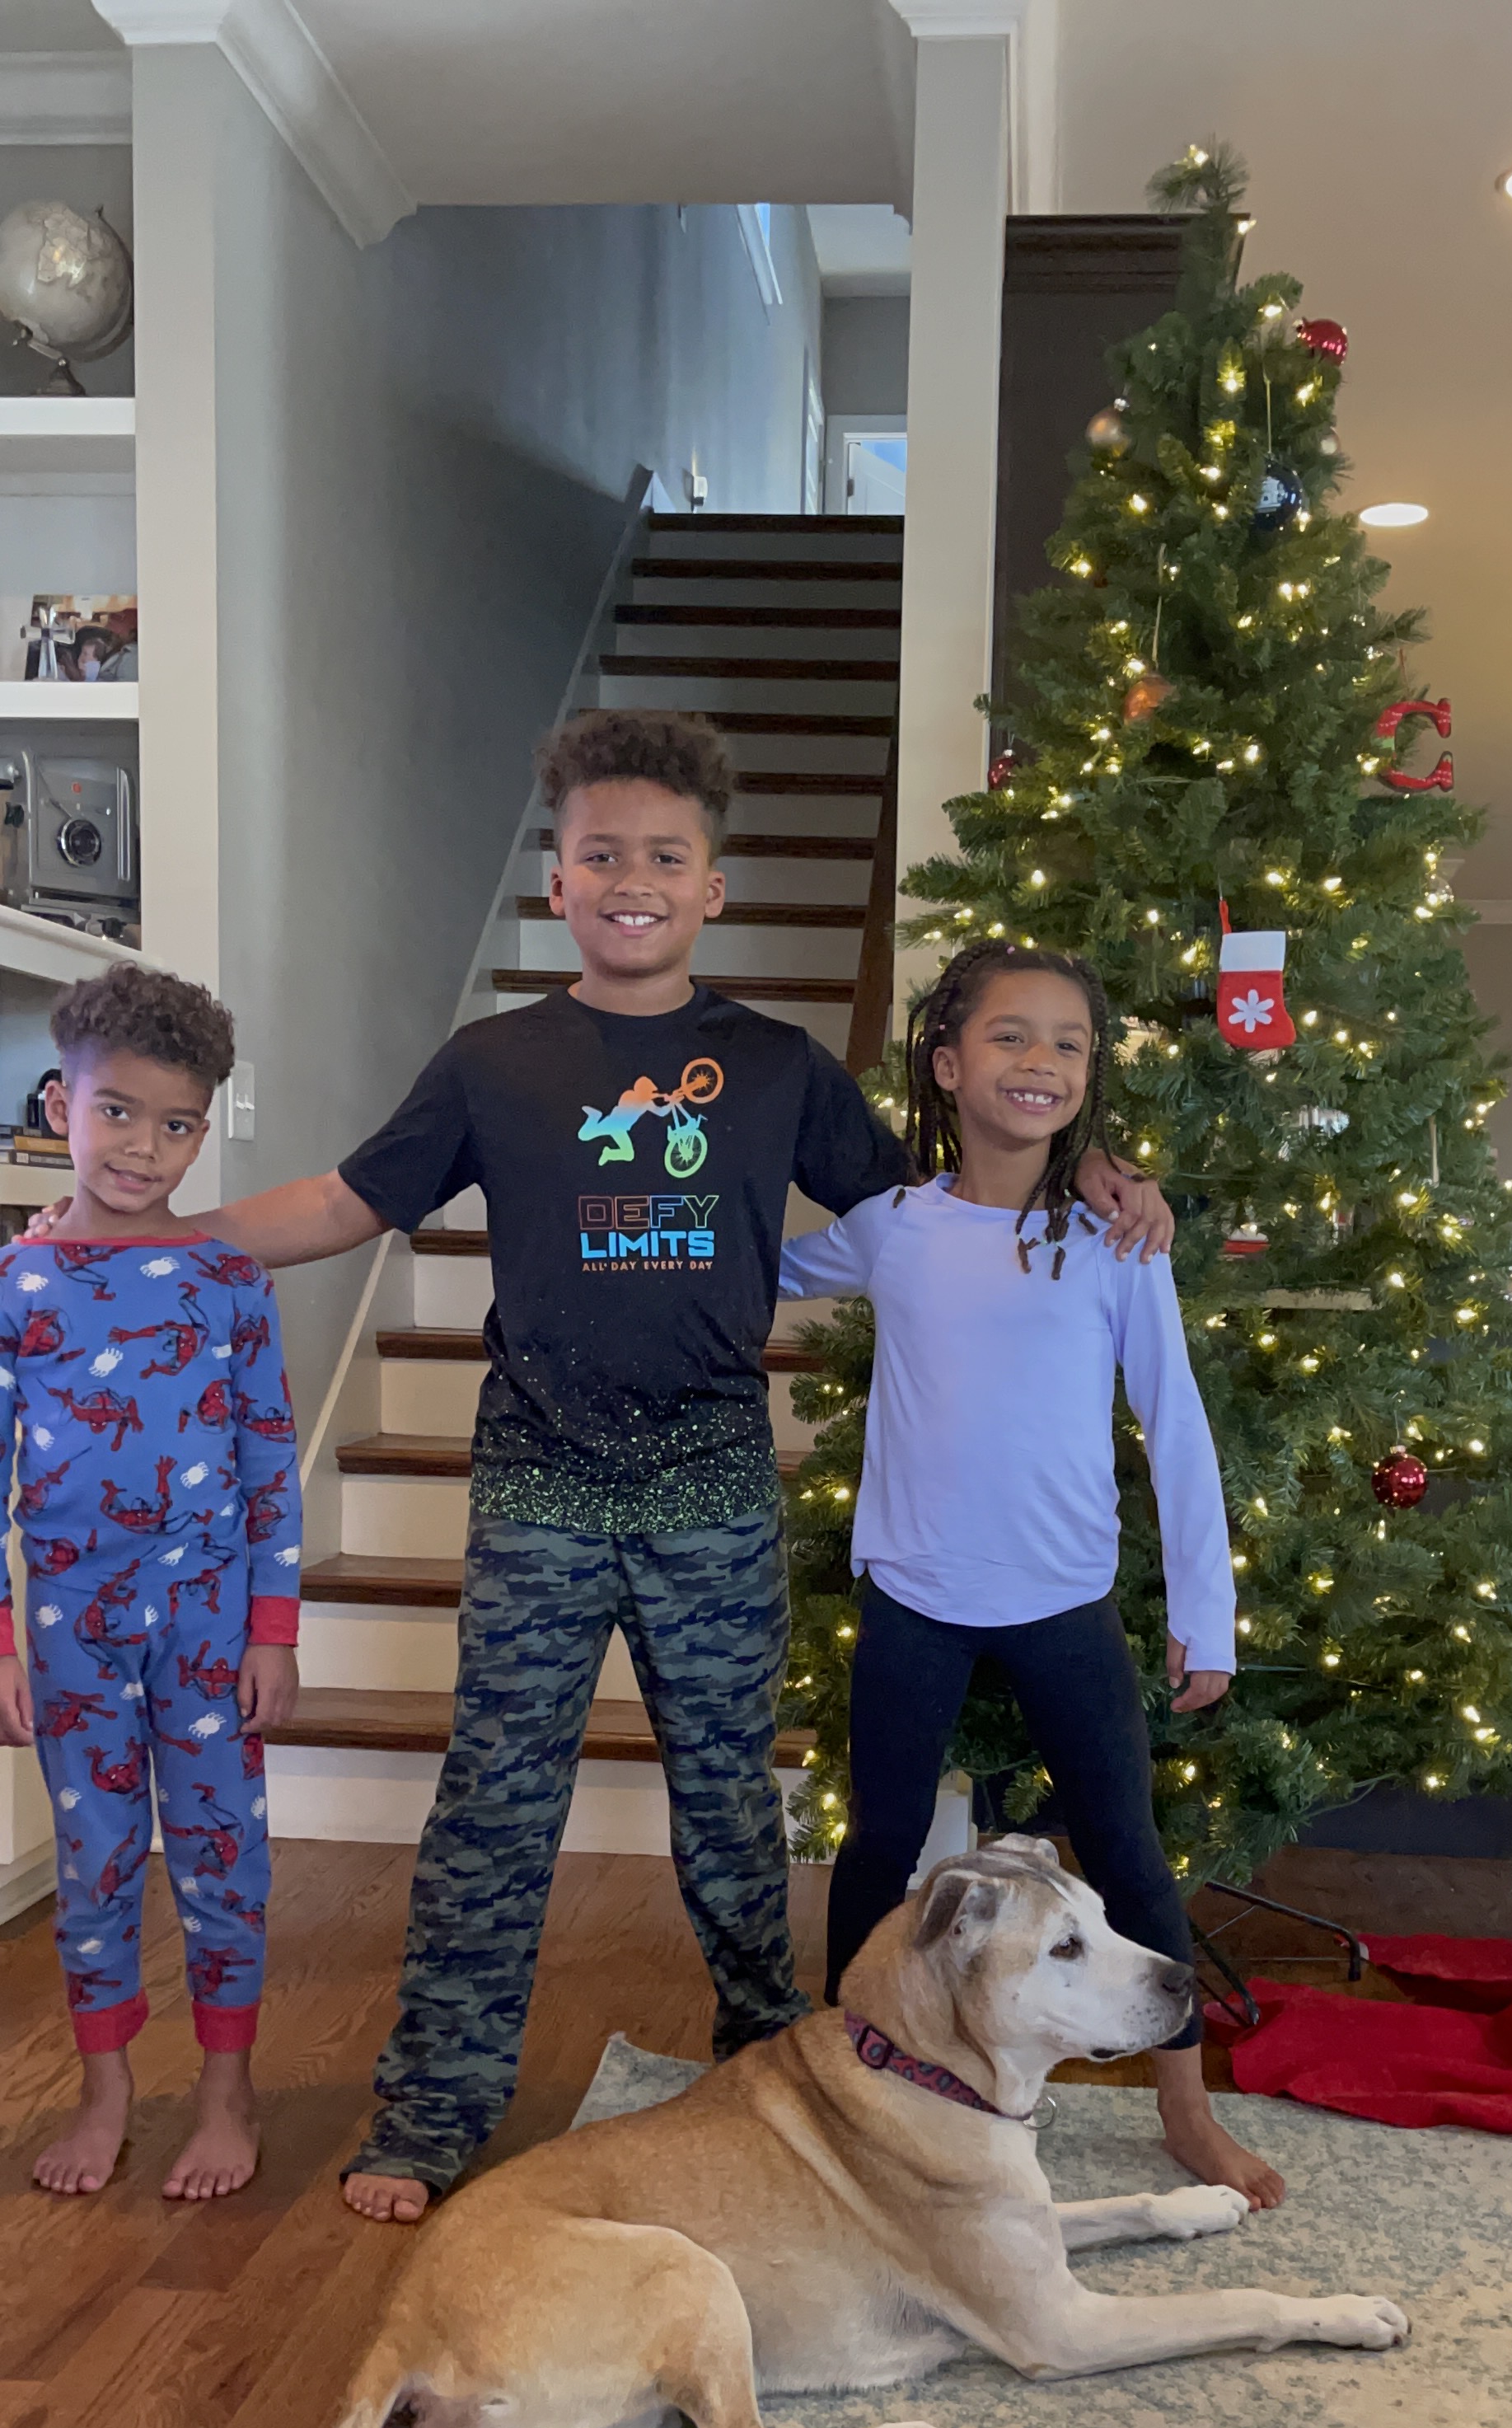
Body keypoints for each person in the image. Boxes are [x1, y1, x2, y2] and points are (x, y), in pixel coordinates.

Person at [20, 711, 1174, 2224]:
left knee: (728, 1814)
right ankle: (435, 2107)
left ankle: (782, 2086)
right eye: (603, 855)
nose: (635, 880)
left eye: (667, 857)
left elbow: (954, 1196)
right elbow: (345, 1202)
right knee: (494, 1810)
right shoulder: (494, 1062)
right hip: (540, 1491)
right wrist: (156, 1236)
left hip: (712, 1494)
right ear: (557, 881)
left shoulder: (775, 1067)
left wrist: (1093, 1169)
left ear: (713, 887)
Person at [776, 940, 1283, 2210]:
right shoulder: (893, 1228)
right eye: (1010, 1035)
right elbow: (751, 1267)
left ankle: (1186, 2109)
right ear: (948, 1066)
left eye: (1069, 1042)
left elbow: (1174, 1422)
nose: (1041, 1060)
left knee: (1126, 1850)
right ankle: (852, 2091)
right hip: (914, 1597)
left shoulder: (1116, 1238)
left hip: (1064, 1603)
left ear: (1090, 1076)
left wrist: (1207, 1612)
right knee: (881, 1844)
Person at [0, 963, 301, 2200]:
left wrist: (273, 1629)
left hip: (210, 1621)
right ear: (60, 1104)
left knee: (224, 1854)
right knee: (96, 1860)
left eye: (178, 1125)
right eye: (116, 1110)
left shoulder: (229, 1282)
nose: (143, 1147)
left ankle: (228, 2095)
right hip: (71, 1627)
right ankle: (106, 2091)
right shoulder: (18, 1283)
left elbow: (269, 1460)